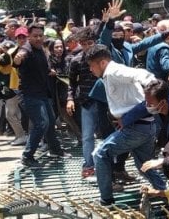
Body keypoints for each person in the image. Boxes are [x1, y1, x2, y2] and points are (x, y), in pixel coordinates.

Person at [86, 44, 165, 206]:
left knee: (99, 154)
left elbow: (144, 75)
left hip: (136, 128)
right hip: (144, 126)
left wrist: (153, 91)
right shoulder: (110, 74)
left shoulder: (113, 71)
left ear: (102, 63)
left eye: (91, 65)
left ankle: (106, 200)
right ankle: (166, 192)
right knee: (144, 164)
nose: (90, 70)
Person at [14, 24, 66, 168]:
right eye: (35, 36)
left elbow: (43, 68)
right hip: (29, 94)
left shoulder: (41, 50)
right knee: (41, 123)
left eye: (40, 35)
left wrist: (51, 71)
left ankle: (55, 150)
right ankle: (27, 156)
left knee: (49, 121)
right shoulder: (26, 49)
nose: (38, 38)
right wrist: (18, 59)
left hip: (42, 94)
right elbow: (18, 60)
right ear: (29, 37)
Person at [67, 27, 112, 179]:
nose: (87, 46)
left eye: (90, 43)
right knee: (87, 136)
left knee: (107, 134)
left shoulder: (104, 59)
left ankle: (109, 164)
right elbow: (71, 83)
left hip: (105, 102)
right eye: (84, 43)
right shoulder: (76, 60)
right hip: (86, 102)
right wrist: (70, 99)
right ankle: (88, 165)